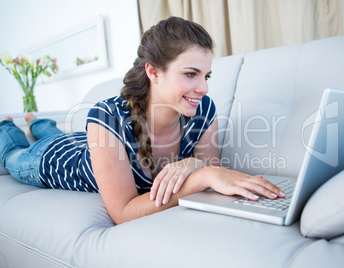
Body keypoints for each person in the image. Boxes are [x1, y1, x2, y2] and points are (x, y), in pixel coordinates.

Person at [0, 17, 285, 225]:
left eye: (206, 76)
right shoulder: (105, 117)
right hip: (49, 159)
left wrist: (197, 165)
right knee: (14, 152)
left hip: (89, 144)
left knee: (50, 130)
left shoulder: (203, 110)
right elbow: (123, 212)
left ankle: (38, 124)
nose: (204, 88)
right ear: (153, 71)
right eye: (190, 74)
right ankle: (11, 125)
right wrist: (203, 175)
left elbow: (208, 167)